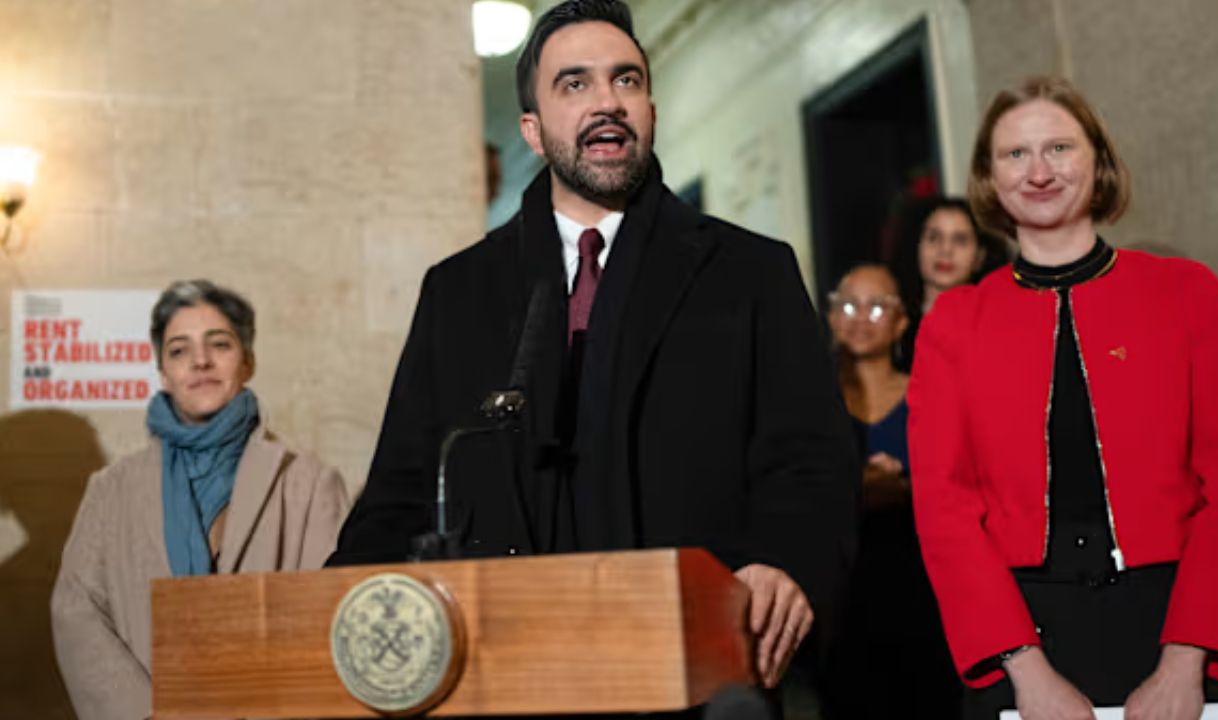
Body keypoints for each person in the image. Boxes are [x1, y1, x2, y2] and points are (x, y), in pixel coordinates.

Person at [327, 0, 858, 701]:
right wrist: (340, 621)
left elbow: (812, 463)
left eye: (626, 80)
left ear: (650, 111)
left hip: (697, 665)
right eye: (574, 83)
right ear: (533, 130)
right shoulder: (457, 292)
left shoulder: (751, 273)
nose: (607, 101)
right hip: (501, 675)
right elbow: (402, 489)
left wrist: (785, 564)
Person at [910, 75, 1218, 720]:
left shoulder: (1186, 292)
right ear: (989, 177)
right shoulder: (954, 323)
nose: (1039, 172)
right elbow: (945, 512)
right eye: (1015, 154)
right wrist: (1026, 672)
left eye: (1059, 147)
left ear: (1098, 161)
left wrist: (1185, 660)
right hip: (1020, 639)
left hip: (1183, 622)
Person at [51, 280, 350, 720]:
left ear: (247, 361)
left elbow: (332, 614)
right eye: (179, 350)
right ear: (163, 372)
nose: (200, 361)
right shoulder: (111, 489)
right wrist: (144, 713)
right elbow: (77, 610)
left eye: (219, 344)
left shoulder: (309, 482)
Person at [821, 263, 959, 717]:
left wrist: (902, 488)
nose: (861, 317)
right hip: (841, 597)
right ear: (831, 317)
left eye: (877, 307)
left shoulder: (928, 394)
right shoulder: (812, 403)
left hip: (923, 590)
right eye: (849, 305)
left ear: (901, 322)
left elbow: (958, 483)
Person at [890, 196, 1009, 370]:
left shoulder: (998, 328)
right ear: (917, 246)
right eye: (934, 238)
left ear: (980, 256)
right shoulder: (894, 325)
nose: (945, 250)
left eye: (960, 240)